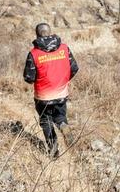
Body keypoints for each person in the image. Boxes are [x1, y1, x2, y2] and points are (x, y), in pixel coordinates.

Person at [23, 23, 79, 157]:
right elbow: (74, 68)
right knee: (59, 116)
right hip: (61, 93)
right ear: (50, 32)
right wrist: (62, 80)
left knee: (46, 121)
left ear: (37, 35)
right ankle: (63, 126)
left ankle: (53, 151)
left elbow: (29, 77)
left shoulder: (34, 54)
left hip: (43, 96)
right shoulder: (64, 49)